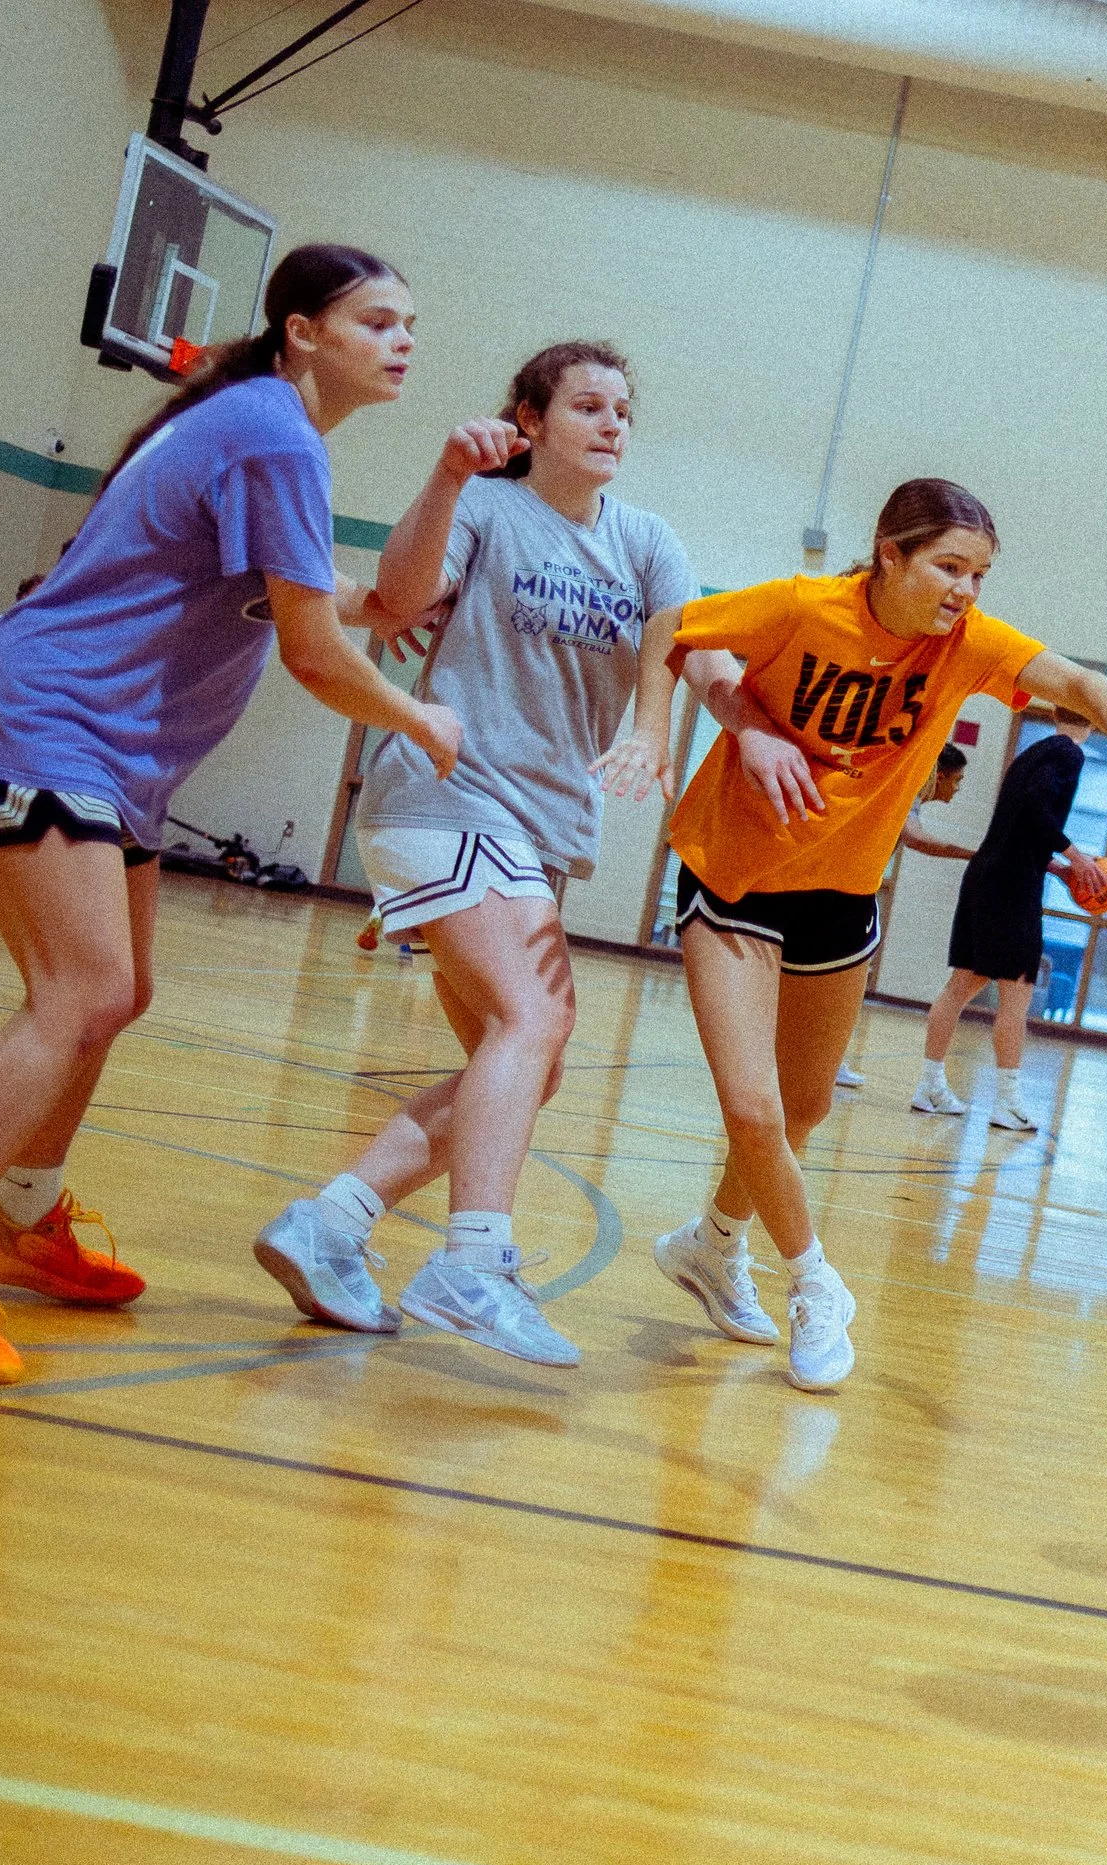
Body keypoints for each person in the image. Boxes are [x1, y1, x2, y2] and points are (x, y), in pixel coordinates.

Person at [0, 245, 461, 1387]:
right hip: (46, 726)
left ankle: (17, 1220)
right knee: (77, 992)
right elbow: (319, 654)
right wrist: (412, 717)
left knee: (119, 993)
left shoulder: (267, 435)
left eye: (410, 323)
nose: (402, 339)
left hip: (104, 752)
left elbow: (378, 603)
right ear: (300, 331)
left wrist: (450, 479)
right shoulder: (271, 432)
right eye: (377, 319)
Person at [648, 479, 1107, 1386]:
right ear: (889, 553)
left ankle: (714, 1242)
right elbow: (676, 629)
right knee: (754, 1107)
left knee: (803, 1109)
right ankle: (815, 1283)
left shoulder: (968, 644)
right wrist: (686, 735)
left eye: (980, 573)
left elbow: (1076, 680)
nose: (966, 590)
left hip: (843, 891)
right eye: (948, 566)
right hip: (735, 874)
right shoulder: (803, 606)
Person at [248, 341, 694, 1368]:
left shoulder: (647, 542)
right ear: (529, 421)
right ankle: (473, 1263)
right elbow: (403, 598)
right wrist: (448, 476)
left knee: (520, 1068)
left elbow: (673, 653)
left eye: (623, 408)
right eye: (587, 405)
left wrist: (652, 734)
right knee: (533, 1018)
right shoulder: (491, 510)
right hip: (447, 797)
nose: (613, 423)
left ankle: (332, 1224)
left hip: (534, 831)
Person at [913, 710, 1107, 1129]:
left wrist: (1051, 864)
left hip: (987, 872)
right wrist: (1075, 856)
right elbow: (1037, 810)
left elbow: (1019, 820)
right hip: (1012, 885)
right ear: (1090, 716)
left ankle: (929, 1085)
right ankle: (1008, 1101)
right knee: (1018, 991)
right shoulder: (1069, 753)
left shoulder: (1032, 751)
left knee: (961, 984)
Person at [836, 742, 972, 1089]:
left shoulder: (910, 791)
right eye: (957, 780)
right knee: (845, 978)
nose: (958, 789)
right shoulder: (910, 786)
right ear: (940, 776)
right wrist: (971, 854)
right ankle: (822, 1059)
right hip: (843, 887)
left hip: (853, 885)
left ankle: (828, 1058)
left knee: (849, 978)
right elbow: (914, 838)